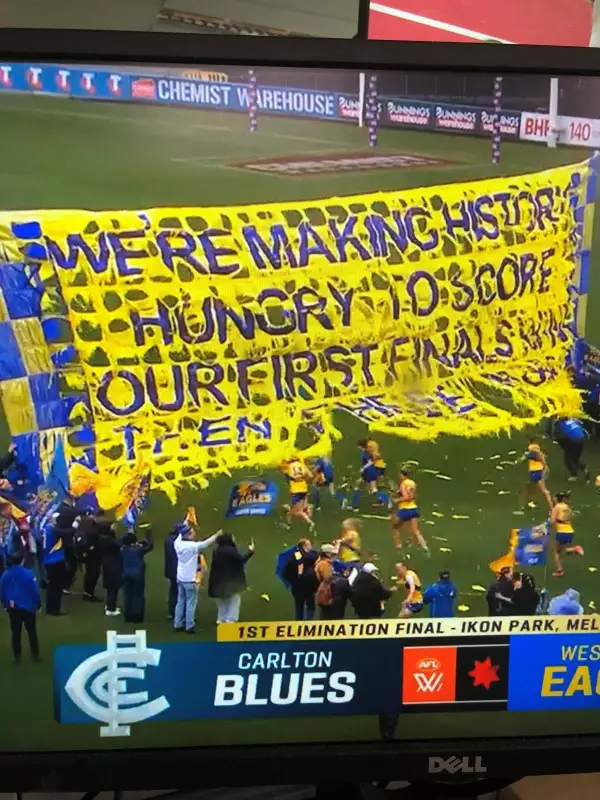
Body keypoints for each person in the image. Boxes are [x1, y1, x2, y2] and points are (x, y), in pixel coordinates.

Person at [174, 524, 220, 633]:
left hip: (180, 577)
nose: (194, 531)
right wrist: (217, 535)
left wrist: (187, 520)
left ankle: (177, 623)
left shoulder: (177, 543)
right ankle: (189, 625)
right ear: (189, 534)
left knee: (180, 601)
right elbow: (205, 544)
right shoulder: (192, 546)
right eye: (192, 530)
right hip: (190, 579)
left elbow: (180, 533)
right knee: (191, 602)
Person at [0, 554, 40, 663]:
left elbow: (2, 591)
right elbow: (34, 590)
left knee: (15, 632)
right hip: (29, 608)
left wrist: (5, 604)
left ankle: (17, 657)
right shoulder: (29, 573)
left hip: (13, 608)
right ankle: (35, 655)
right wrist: (38, 603)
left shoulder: (6, 575)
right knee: (31, 631)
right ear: (22, 560)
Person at [208, 532, 255, 624]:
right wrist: (250, 551)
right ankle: (231, 619)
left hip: (218, 580)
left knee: (222, 600)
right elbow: (241, 560)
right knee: (234, 599)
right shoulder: (231, 550)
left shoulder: (217, 550)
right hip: (230, 580)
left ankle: (221, 619)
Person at [120, 527, 153, 623]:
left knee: (127, 595)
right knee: (138, 595)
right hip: (138, 575)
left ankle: (128, 615)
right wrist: (148, 536)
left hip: (126, 575)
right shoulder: (138, 550)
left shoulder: (122, 550)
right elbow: (149, 546)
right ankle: (137, 616)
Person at [393, 468, 429, 554]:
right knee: (415, 530)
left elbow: (406, 497)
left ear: (402, 475)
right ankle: (425, 547)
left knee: (395, 527)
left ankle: (398, 547)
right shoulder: (412, 483)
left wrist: (396, 500)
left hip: (405, 509)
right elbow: (413, 496)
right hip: (413, 508)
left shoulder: (403, 484)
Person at [282, 537, 318, 621]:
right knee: (311, 606)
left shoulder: (293, 556)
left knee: (299, 607)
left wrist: (292, 581)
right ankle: (309, 624)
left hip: (296, 587)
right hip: (308, 586)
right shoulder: (310, 557)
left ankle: (298, 625)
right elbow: (313, 558)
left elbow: (285, 573)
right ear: (305, 546)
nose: (311, 547)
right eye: (309, 545)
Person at [551, 491, 584, 578]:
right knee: (562, 551)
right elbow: (570, 518)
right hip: (569, 531)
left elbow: (552, 521)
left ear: (557, 499)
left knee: (557, 552)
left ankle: (559, 570)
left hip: (561, 532)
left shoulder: (556, 507)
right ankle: (575, 549)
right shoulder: (567, 507)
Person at [353, 439, 389, 510]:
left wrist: (363, 468)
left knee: (372, 488)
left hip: (370, 471)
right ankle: (356, 503)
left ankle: (381, 499)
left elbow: (371, 461)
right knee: (361, 485)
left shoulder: (366, 452)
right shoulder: (367, 451)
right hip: (370, 470)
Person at [43, 512, 67, 616]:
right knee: (57, 585)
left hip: (48, 560)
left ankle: (50, 607)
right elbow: (66, 533)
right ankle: (54, 608)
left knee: (52, 585)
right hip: (55, 560)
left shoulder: (45, 528)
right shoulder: (52, 529)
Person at [282, 456, 315, 532]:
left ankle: (310, 522)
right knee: (291, 512)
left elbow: (283, 471)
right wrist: (304, 480)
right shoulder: (302, 465)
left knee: (297, 512)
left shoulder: (289, 466)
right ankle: (289, 526)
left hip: (296, 491)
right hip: (304, 489)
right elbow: (310, 476)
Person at [98, 521, 123, 617]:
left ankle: (110, 605)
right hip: (112, 565)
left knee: (111, 588)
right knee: (113, 587)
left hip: (108, 564)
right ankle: (110, 609)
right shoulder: (107, 540)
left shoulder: (105, 538)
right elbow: (118, 544)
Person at [554, 418, 590, 482]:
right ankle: (583, 468)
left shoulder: (559, 425)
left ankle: (575, 475)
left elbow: (559, 438)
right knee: (575, 458)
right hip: (581, 439)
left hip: (573, 441)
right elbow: (582, 428)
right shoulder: (574, 420)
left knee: (567, 460)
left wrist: (565, 448)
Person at [521, 437, 552, 510]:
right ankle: (531, 503)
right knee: (531, 488)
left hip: (536, 471)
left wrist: (545, 466)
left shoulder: (533, 447)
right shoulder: (535, 450)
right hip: (535, 471)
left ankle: (551, 507)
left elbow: (539, 455)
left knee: (542, 490)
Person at [78, 513, 103, 602]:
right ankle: (89, 593)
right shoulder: (92, 529)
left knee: (89, 574)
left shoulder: (83, 523)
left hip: (87, 555)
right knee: (93, 574)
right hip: (93, 555)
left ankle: (87, 593)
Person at [164, 524, 180, 620]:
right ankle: (179, 613)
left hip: (170, 570)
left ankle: (171, 611)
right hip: (179, 570)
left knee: (173, 590)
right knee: (180, 593)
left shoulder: (168, 540)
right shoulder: (179, 542)